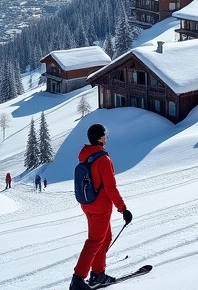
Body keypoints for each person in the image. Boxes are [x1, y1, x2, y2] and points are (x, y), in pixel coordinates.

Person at [69, 123, 132, 290]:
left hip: (88, 204)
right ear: (99, 138)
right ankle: (78, 279)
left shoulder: (87, 156)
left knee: (104, 238)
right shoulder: (103, 159)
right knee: (95, 241)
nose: (106, 136)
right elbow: (110, 187)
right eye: (105, 134)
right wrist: (123, 209)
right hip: (100, 207)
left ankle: (98, 273)